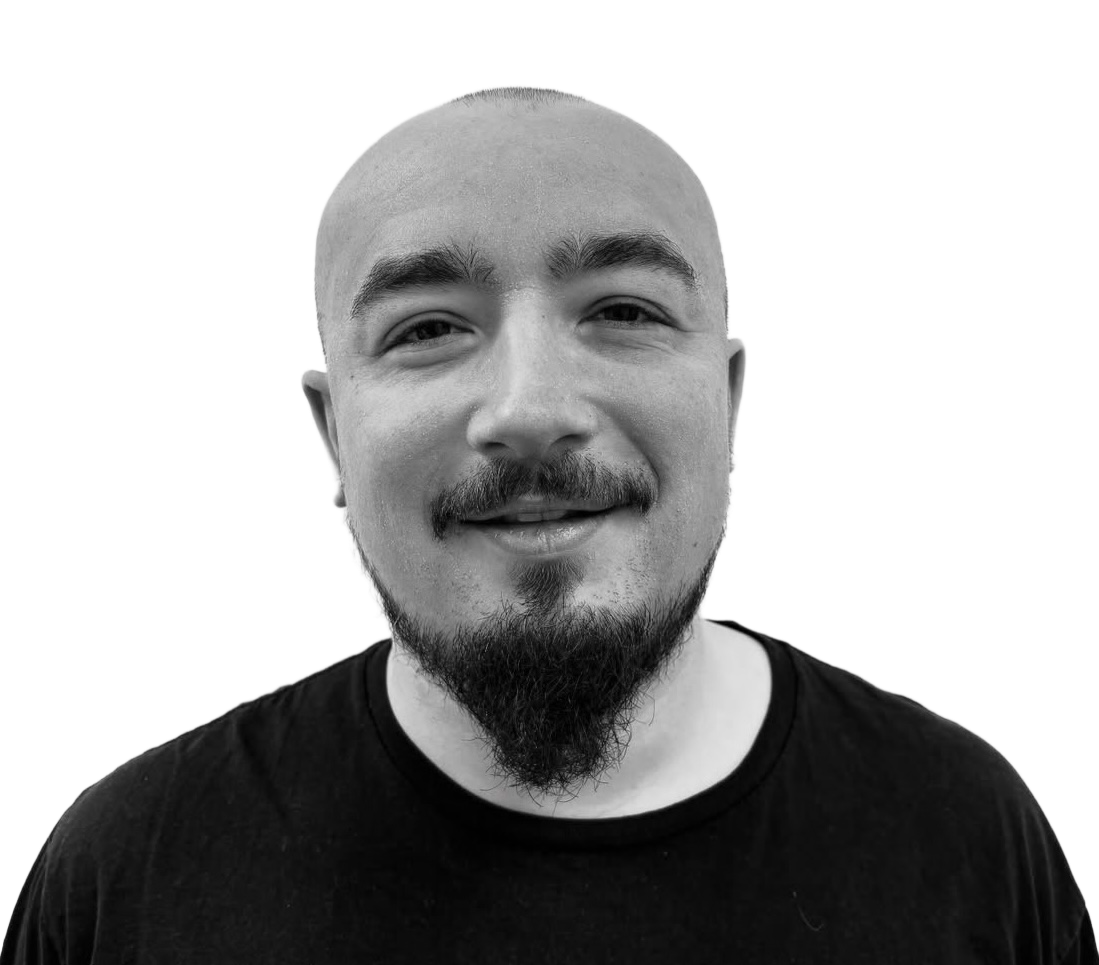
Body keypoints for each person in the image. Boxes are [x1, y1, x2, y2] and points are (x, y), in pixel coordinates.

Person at [2, 84, 1094, 963]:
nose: (529, 408)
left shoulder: (967, 829)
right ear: (332, 436)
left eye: (622, 309)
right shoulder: (123, 873)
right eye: (427, 328)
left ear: (729, 405)